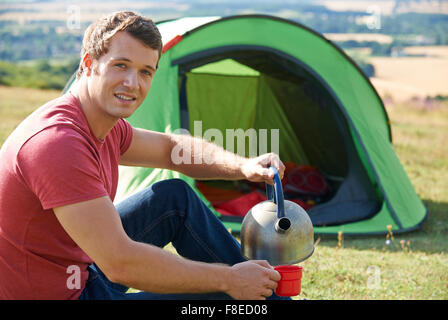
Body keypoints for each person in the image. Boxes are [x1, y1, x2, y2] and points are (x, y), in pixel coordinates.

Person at [0, 11, 286, 300]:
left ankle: (262, 291)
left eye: (145, 71)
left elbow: (171, 150)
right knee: (225, 295)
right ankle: (261, 293)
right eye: (120, 66)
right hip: (65, 294)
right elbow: (120, 263)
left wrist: (244, 166)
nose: (132, 83)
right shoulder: (57, 143)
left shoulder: (100, 124)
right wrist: (229, 280)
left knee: (175, 198)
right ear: (89, 64)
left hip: (80, 272)